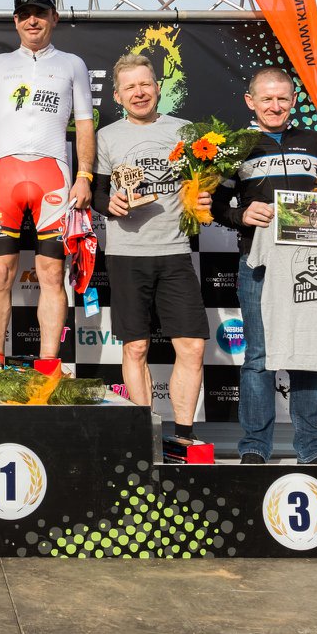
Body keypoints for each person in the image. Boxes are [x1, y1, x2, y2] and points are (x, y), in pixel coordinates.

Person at [0, 0, 94, 370]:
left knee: (52, 274)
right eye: (24, 15)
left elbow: (85, 124)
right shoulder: (0, 64)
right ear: (15, 21)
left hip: (53, 175)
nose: (32, 20)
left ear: (54, 17)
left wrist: (85, 175)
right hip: (5, 176)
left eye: (40, 13)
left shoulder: (72, 64)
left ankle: (48, 366)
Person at [91, 55, 211, 448]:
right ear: (117, 96)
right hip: (126, 253)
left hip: (175, 250)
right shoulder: (106, 136)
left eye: (145, 84)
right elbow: (96, 192)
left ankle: (184, 437)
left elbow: (204, 183)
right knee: (136, 346)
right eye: (130, 87)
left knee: (192, 345)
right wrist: (108, 203)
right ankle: (146, 435)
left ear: (158, 88)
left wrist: (204, 195)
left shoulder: (186, 131)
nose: (139, 92)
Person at [216, 67, 317, 465]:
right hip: (258, 261)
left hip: (310, 262)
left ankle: (313, 448)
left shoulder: (314, 142)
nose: (275, 106)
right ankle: (254, 447)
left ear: (294, 101)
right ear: (250, 101)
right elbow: (216, 205)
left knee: (308, 353)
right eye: (266, 98)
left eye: (283, 98)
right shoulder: (236, 146)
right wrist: (242, 215)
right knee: (258, 356)